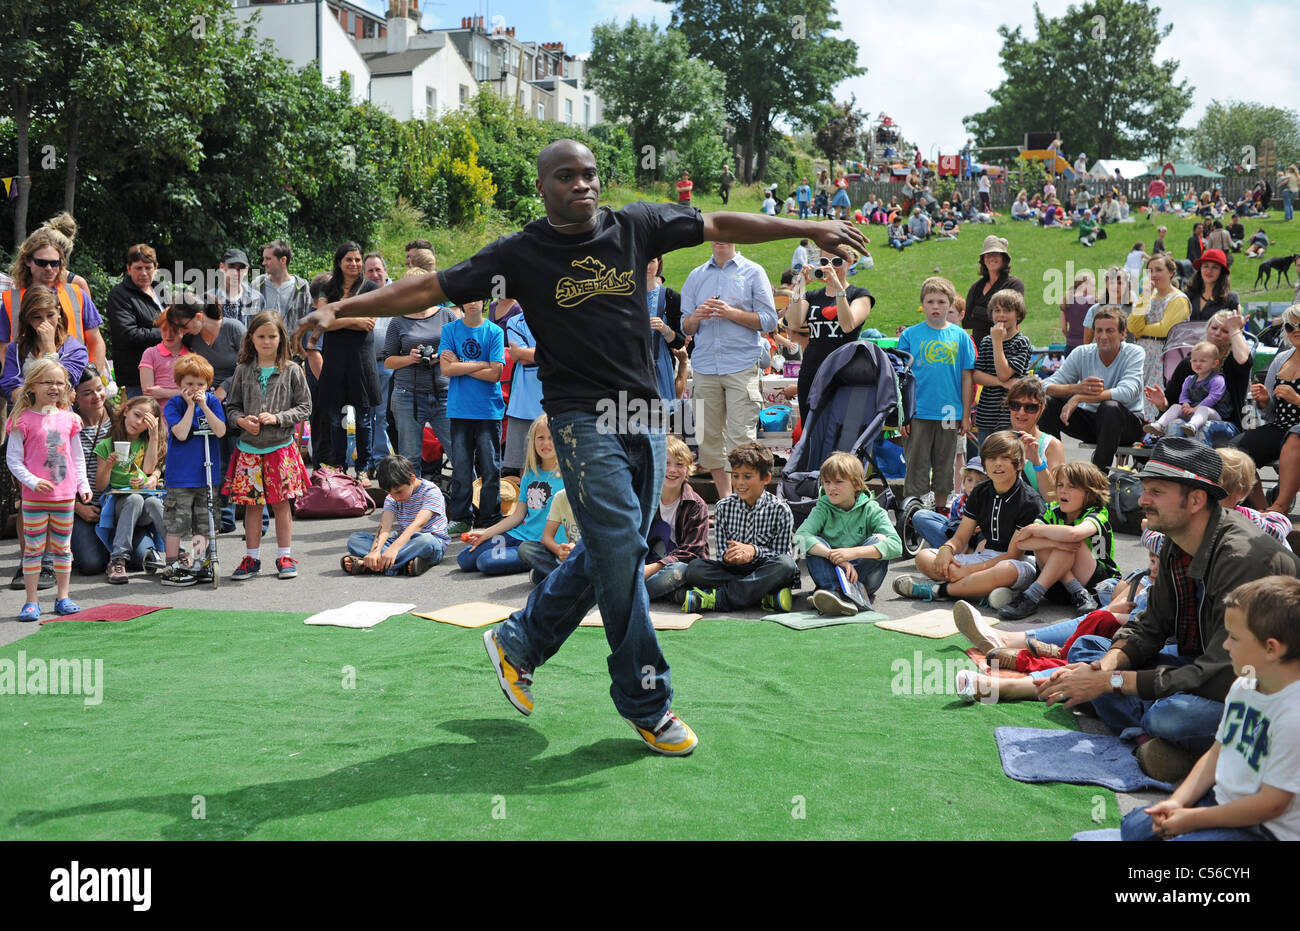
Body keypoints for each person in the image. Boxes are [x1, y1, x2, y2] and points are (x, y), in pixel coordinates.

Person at [293, 137, 867, 757]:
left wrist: (806, 225)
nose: (583, 185)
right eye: (566, 176)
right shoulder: (521, 252)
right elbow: (426, 288)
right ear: (543, 187)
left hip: (643, 412)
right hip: (577, 417)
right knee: (619, 544)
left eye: (590, 174)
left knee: (614, 546)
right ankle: (647, 700)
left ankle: (520, 642)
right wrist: (341, 309)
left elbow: (721, 222)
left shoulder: (636, 225)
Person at [1039, 438, 1300, 784]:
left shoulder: (1242, 558)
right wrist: (1103, 667)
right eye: (1145, 489)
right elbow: (1150, 625)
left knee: (1170, 716)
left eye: (1157, 491)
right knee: (1089, 648)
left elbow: (1222, 673)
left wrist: (1109, 683)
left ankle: (1177, 744)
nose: (1142, 499)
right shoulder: (1177, 538)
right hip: (1195, 664)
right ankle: (1165, 745)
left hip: (1251, 686)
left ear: (1195, 499)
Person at [1120, 575, 1300, 841]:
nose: (1225, 645)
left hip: (1263, 830)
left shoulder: (1293, 715)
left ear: (1271, 648)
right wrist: (1178, 802)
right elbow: (1216, 752)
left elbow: (1271, 804)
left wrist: (1193, 820)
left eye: (1234, 638)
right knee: (1134, 827)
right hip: (1220, 802)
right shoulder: (1243, 686)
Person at [893, 430, 1044, 604]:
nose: (997, 464)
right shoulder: (980, 491)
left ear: (1019, 464)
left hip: (1017, 563)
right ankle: (985, 593)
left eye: (1005, 458)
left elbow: (1012, 555)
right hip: (984, 556)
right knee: (924, 558)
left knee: (1005, 571)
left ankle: (938, 590)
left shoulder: (1029, 501)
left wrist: (968, 570)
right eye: (992, 459)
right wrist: (946, 550)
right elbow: (960, 538)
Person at [681, 241, 778, 499]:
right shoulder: (696, 275)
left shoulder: (753, 271)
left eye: (726, 234)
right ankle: (726, 501)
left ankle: (743, 500)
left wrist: (731, 313)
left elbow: (769, 320)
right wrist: (696, 317)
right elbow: (686, 327)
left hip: (741, 365)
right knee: (708, 439)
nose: (720, 240)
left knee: (741, 440)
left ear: (736, 238)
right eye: (716, 235)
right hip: (704, 366)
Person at [222, 310, 313, 581]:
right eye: (261, 336)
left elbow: (305, 407)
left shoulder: (293, 370)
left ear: (281, 338)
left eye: (272, 336)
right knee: (252, 505)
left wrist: (278, 418)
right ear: (251, 338)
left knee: (282, 504)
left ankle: (284, 555)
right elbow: (232, 407)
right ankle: (252, 557)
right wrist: (240, 421)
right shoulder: (242, 370)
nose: (266, 341)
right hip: (249, 449)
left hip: (280, 448)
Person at [5, 359, 92, 620]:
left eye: (59, 382)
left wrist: (83, 484)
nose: (55, 387)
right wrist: (31, 481)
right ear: (32, 386)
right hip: (34, 499)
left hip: (64, 498)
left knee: (63, 548)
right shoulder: (22, 420)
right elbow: (13, 459)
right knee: (33, 549)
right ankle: (31, 601)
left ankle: (63, 597)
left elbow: (77, 457)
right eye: (48, 382)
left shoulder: (70, 420)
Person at [992, 461, 1119, 619]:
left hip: (1097, 587)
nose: (1063, 491)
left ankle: (1031, 597)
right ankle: (1077, 592)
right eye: (1060, 485)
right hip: (1057, 588)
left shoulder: (1098, 512)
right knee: (1055, 541)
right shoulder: (1052, 510)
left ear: (1089, 492)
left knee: (1069, 540)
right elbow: (1021, 542)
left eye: (1071, 486)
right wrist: (1052, 542)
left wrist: (1035, 529)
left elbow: (1074, 534)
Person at [680, 441, 797, 613]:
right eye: (735, 476)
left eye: (747, 476)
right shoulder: (723, 507)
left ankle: (718, 599)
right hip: (735, 571)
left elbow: (782, 555)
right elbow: (721, 555)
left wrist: (753, 551)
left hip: (765, 568)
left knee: (786, 566)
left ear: (766, 479)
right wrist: (731, 558)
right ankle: (762, 595)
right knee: (694, 569)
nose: (739, 482)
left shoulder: (780, 509)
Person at [897, 277, 974, 511]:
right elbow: (901, 377)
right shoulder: (910, 335)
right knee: (916, 464)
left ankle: (941, 510)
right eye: (930, 301)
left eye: (941, 301)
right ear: (923, 304)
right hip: (918, 410)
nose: (936, 306)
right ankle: (914, 511)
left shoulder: (961, 337)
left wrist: (966, 414)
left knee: (945, 464)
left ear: (950, 304)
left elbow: (966, 376)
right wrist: (903, 414)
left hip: (950, 411)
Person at [795, 451, 902, 614]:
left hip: (862, 579)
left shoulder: (871, 509)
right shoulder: (823, 506)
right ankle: (837, 593)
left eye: (838, 482)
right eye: (827, 482)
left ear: (857, 484)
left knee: (880, 539)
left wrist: (851, 553)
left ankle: (841, 595)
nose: (831, 488)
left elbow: (896, 545)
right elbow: (800, 537)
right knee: (814, 542)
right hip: (832, 573)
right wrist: (834, 556)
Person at [1040, 306, 1146, 470]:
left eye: (1109, 330)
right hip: (1093, 421)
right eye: (1099, 331)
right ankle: (1054, 470)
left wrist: (1080, 397)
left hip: (1127, 424)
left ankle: (1097, 480)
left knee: (1109, 408)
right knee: (1046, 403)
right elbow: (1045, 386)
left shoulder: (1135, 352)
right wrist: (1077, 388)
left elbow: (1126, 393)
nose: (1103, 336)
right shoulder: (1081, 353)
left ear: (1123, 333)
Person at [457, 413, 563, 575]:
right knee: (464, 559)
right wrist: (485, 534)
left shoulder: (567, 475)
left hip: (541, 543)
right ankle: (523, 556)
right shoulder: (530, 473)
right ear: (533, 441)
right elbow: (517, 515)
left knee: (485, 562)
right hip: (518, 534)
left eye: (551, 437)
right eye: (540, 437)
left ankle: (537, 559)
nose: (546, 443)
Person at [158, 355, 227, 586]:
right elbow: (180, 433)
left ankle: (198, 562)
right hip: (181, 476)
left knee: (203, 521)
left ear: (207, 385)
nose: (194, 389)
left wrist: (205, 406)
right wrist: (190, 407)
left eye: (200, 384)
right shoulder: (175, 404)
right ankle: (171, 565)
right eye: (189, 384)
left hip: (206, 475)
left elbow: (220, 431)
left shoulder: (212, 402)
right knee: (177, 521)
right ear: (179, 384)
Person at [439, 298, 505, 534]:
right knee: (462, 467)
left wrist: (462, 363)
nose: (473, 303)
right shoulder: (450, 330)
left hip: (488, 410)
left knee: (490, 467)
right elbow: (447, 369)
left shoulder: (494, 331)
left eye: (477, 298)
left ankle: (490, 518)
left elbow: (496, 373)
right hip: (460, 410)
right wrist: (481, 364)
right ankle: (461, 516)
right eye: (467, 299)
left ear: (485, 301)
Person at [3, 229, 106, 379]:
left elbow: (96, 341)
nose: (49, 268)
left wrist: (91, 379)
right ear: (27, 261)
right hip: (25, 382)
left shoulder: (76, 293)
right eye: (42, 263)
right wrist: (13, 387)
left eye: (54, 263)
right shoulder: (10, 299)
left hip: (74, 380)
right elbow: (3, 349)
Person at [383, 267, 458, 475]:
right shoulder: (398, 321)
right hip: (407, 395)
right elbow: (388, 360)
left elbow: (459, 351)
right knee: (410, 458)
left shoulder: (447, 315)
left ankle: (474, 504)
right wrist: (410, 358)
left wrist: (442, 356)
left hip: (444, 393)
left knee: (459, 453)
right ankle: (412, 505)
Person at [785, 248, 873, 419]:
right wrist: (799, 286)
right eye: (825, 262)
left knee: (841, 431)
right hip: (812, 372)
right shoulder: (812, 296)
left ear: (850, 263)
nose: (830, 267)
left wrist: (839, 288)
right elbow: (794, 323)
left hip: (844, 372)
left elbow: (848, 325)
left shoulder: (860, 295)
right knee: (811, 430)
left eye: (837, 262)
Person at [317, 242, 380, 479]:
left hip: (361, 360)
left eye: (357, 259)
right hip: (334, 360)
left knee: (364, 419)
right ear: (339, 262)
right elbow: (322, 321)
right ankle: (339, 467)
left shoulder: (371, 287)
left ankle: (363, 468)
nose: (354, 264)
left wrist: (338, 317)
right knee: (335, 419)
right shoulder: (327, 287)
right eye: (349, 260)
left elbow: (370, 322)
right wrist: (353, 321)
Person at [1232, 304, 1300, 514]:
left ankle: (1280, 507)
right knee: (1235, 451)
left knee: (1293, 438)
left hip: (1295, 432)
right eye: (1290, 327)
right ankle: (1261, 508)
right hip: (1280, 426)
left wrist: (1297, 398)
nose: (1296, 330)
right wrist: (1265, 399)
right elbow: (1270, 413)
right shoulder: (1281, 359)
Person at [94, 396, 166, 584]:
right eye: (136, 415)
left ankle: (177, 554)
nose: (138, 422)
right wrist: (108, 466)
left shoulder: (146, 441)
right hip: (120, 505)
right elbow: (101, 486)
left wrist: (154, 435)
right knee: (134, 499)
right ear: (126, 411)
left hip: (144, 508)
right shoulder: (107, 445)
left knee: (152, 501)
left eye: (145, 420)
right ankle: (117, 560)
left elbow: (149, 469)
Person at [341, 454, 448, 577]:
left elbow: (418, 524)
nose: (396, 497)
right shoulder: (392, 497)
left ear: (412, 479)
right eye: (390, 493)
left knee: (426, 541)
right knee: (355, 540)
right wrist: (374, 551)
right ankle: (401, 564)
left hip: (428, 544)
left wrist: (394, 549)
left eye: (399, 492)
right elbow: (385, 527)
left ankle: (373, 565)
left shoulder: (431, 491)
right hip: (402, 544)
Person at [0, 286, 88, 404]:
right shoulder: (16, 348)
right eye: (37, 317)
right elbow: (9, 386)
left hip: (59, 417)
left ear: (59, 312)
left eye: (50, 315)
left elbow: (63, 383)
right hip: (25, 417)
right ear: (27, 318)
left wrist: (49, 348)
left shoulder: (76, 350)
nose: (45, 322)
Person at [1130, 254, 1191, 419]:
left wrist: (1141, 330)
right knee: (1138, 391)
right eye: (1150, 271)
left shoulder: (1178, 299)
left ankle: (1153, 430)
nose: (1154, 274)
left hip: (1165, 354)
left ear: (1171, 272)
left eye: (1159, 270)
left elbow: (1166, 329)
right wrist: (1144, 298)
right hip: (1143, 352)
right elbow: (1131, 325)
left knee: (1155, 393)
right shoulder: (1148, 297)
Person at [971, 289, 1032, 448]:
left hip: (1011, 414)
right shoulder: (986, 341)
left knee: (1008, 457)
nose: (1001, 315)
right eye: (997, 310)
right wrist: (1001, 383)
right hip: (986, 413)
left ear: (1018, 315)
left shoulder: (1021, 342)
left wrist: (997, 342)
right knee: (985, 459)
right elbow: (977, 375)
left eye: (1007, 310)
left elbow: (1004, 373)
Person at [104, 244, 165, 399]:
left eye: (148, 268)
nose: (143, 273)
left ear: (156, 268)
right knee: (142, 420)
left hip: (165, 371)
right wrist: (168, 333)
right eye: (138, 268)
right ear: (129, 268)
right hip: (137, 376)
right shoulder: (119, 295)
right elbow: (128, 334)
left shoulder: (161, 290)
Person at [1148, 341, 1230, 438]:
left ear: (1214, 363)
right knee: (1175, 406)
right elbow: (1184, 394)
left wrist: (1195, 409)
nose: (1198, 363)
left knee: (1204, 409)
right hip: (1192, 410)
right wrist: (1185, 404)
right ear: (1190, 361)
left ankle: (1192, 426)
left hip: (1214, 413)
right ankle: (1160, 425)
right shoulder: (1189, 379)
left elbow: (1213, 398)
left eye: (1203, 361)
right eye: (1194, 361)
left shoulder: (1217, 379)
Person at [963, 236, 1026, 347]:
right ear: (983, 260)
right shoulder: (976, 287)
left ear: (1004, 258)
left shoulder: (1014, 284)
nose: (991, 258)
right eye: (987, 255)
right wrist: (995, 318)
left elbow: (1015, 317)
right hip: (980, 349)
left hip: (1006, 346)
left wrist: (977, 312)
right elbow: (966, 321)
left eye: (996, 254)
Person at [644, 256, 685, 406]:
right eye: (644, 260)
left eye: (651, 261)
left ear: (659, 264)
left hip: (660, 367)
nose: (647, 266)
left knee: (660, 420)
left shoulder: (671, 297)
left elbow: (680, 341)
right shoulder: (627, 296)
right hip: (633, 368)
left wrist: (665, 329)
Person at [138, 309, 190, 404]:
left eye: (174, 330)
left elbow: (193, 392)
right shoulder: (150, 353)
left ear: (185, 330)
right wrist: (180, 393)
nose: (169, 335)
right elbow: (148, 392)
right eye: (164, 329)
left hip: (186, 413)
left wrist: (164, 392)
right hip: (159, 414)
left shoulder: (191, 356)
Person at [208, 249, 262, 327]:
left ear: (246, 270)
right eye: (231, 266)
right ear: (222, 267)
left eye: (241, 268)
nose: (236, 273)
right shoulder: (207, 299)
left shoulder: (258, 300)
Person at [1081, 266, 1133, 345]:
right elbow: (1087, 342)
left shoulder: (1134, 310)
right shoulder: (1094, 310)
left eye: (1120, 283)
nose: (1115, 286)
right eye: (1112, 282)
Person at [1185, 248, 1239, 322]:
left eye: (1215, 267)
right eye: (1206, 266)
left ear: (1221, 272)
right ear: (1200, 269)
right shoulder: (1188, 295)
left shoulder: (1231, 299)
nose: (1209, 271)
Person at [1060, 271, 1096, 351]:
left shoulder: (1066, 300)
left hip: (1070, 346)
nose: (1095, 289)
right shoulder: (1092, 301)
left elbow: (1063, 328)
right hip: (1088, 346)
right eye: (1093, 286)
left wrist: (1070, 338)